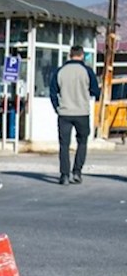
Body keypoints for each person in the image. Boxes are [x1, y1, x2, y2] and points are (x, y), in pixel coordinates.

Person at [50, 45, 100, 185]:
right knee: (82, 142)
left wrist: (57, 108)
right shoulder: (87, 71)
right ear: (82, 55)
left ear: (70, 55)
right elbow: (96, 91)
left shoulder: (60, 71)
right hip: (82, 112)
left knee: (64, 145)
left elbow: (53, 92)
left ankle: (64, 175)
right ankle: (77, 172)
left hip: (64, 113)